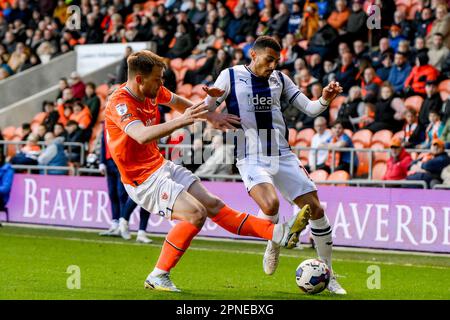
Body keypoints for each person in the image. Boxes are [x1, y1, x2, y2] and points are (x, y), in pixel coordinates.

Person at [104, 49, 308, 292]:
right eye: (158, 79)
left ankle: (279, 233)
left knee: (213, 205)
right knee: (195, 214)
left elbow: (178, 102)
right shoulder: (120, 103)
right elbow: (140, 135)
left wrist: (210, 116)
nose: (161, 84)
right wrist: (183, 120)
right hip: (142, 179)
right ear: (139, 79)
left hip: (159, 166)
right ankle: (158, 275)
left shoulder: (152, 90)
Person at [207, 36, 346, 294]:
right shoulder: (229, 76)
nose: (273, 65)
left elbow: (311, 109)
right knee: (270, 204)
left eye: (276, 61)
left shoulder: (280, 79)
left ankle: (329, 274)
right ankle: (274, 241)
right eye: (269, 59)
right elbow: (205, 110)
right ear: (253, 55)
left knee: (315, 208)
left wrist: (325, 99)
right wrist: (212, 110)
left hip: (281, 153)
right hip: (250, 156)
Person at [98, 124, 152, 244]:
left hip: (122, 160)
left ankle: (124, 224)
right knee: (113, 194)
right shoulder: (107, 121)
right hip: (109, 161)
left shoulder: (123, 120)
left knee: (122, 193)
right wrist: (102, 161)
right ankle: (115, 223)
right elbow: (103, 142)